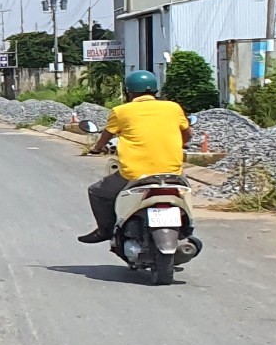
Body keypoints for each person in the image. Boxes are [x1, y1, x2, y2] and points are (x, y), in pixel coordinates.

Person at [78, 68, 194, 243]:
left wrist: (97, 148)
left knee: (97, 192)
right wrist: (181, 144)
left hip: (134, 174)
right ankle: (187, 226)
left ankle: (105, 230)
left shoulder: (121, 111)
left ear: (129, 91)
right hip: (172, 173)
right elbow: (187, 135)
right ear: (155, 90)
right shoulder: (173, 107)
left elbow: (106, 137)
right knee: (185, 193)